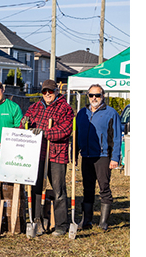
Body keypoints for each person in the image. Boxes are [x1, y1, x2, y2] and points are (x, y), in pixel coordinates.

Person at [20, 79, 74, 236]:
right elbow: (24, 124)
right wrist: (25, 124)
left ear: (56, 91)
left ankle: (62, 225)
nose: (47, 94)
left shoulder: (65, 108)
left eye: (50, 91)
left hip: (56, 155)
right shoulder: (35, 107)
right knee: (36, 188)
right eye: (45, 92)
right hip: (38, 154)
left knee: (58, 190)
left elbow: (65, 129)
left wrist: (45, 133)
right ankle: (38, 221)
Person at [76, 84, 122, 231]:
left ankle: (103, 222)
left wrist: (115, 158)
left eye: (97, 95)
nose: (94, 98)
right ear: (87, 96)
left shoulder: (111, 113)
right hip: (86, 156)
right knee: (87, 189)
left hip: (103, 156)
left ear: (103, 96)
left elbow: (116, 137)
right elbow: (77, 135)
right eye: (91, 95)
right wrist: (75, 153)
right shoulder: (82, 113)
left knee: (104, 188)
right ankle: (86, 221)